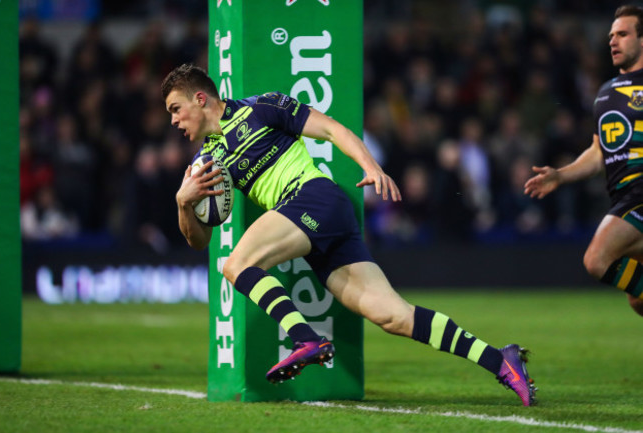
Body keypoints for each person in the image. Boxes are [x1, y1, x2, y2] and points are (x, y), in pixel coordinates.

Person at [161, 64, 536, 406]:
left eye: (176, 109)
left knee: (238, 263)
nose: (174, 121)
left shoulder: (261, 108)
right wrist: (183, 203)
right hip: (314, 222)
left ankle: (305, 338)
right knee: (393, 317)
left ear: (200, 98)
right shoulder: (205, 164)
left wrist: (371, 166)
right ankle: (500, 360)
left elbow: (330, 129)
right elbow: (200, 240)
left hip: (313, 197)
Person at [524, 5, 643, 316]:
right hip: (622, 196)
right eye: (610, 36)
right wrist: (560, 176)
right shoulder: (606, 93)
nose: (612, 41)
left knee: (596, 259)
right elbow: (599, 152)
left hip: (640, 193)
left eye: (622, 34)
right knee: (638, 300)